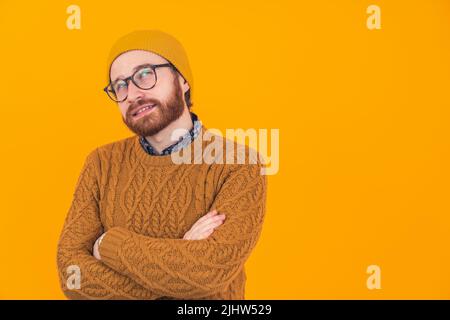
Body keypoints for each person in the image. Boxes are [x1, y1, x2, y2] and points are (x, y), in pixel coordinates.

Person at [56, 30, 267, 300]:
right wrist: (180, 256)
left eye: (144, 74)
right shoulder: (101, 163)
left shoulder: (238, 164)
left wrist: (108, 245)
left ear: (182, 80)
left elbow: (208, 272)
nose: (131, 94)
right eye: (119, 85)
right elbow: (72, 275)